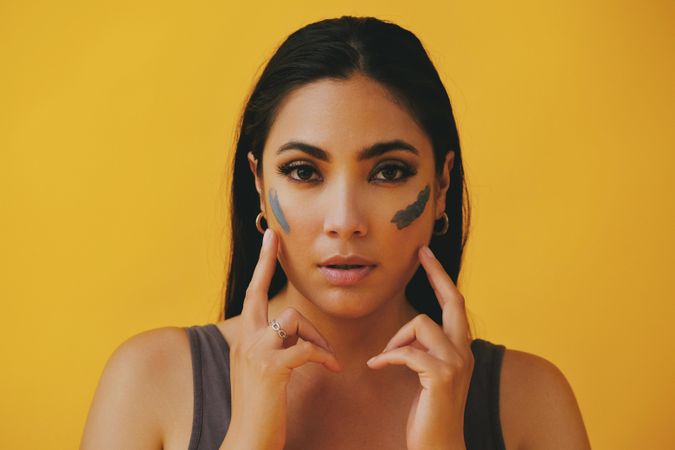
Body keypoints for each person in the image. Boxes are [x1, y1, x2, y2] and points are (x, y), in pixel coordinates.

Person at [80, 15, 591, 450]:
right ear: (258, 185)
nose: (344, 220)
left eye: (389, 171)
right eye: (304, 171)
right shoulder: (149, 381)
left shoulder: (529, 400)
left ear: (441, 187)